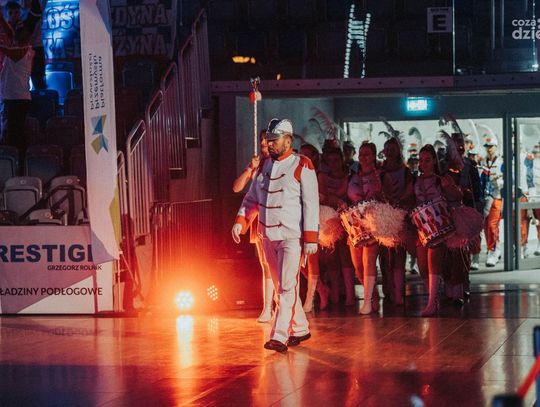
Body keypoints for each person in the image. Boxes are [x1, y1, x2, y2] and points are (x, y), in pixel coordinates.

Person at [232, 118, 319, 352]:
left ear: (288, 141)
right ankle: (300, 328)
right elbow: (251, 199)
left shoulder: (302, 165)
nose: (269, 144)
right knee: (282, 285)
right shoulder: (263, 167)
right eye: (268, 140)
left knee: (287, 286)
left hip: (292, 236)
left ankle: (279, 335)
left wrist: (311, 237)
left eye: (274, 140)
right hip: (266, 235)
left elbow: (311, 203)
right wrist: (240, 222)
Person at [414, 144, 462, 316]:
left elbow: (458, 196)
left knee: (433, 261)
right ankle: (434, 298)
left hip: (438, 227)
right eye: (421, 160)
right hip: (421, 228)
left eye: (427, 160)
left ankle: (432, 302)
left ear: (434, 160)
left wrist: (448, 187)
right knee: (422, 267)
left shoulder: (441, 179)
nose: (423, 163)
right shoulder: (415, 180)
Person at [232, 131, 274, 323]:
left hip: (281, 221)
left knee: (282, 267)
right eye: (261, 139)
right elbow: (238, 188)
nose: (263, 142)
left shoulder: (282, 163)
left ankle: (285, 307)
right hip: (260, 221)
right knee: (266, 264)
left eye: (267, 139)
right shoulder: (258, 165)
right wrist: (250, 168)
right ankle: (268, 307)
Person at [347, 142, 382, 314]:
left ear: (374, 156)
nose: (363, 157)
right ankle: (373, 294)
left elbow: (386, 196)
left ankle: (367, 302)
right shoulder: (352, 175)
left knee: (369, 261)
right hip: (355, 225)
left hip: (373, 223)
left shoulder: (379, 175)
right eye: (361, 154)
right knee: (358, 267)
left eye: (367, 154)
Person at [318, 146, 355, 306]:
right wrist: (333, 199)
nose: (334, 164)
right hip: (329, 220)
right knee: (331, 257)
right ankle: (334, 292)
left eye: (336, 160)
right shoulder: (323, 178)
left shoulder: (350, 177)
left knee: (346, 256)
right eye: (330, 161)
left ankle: (349, 294)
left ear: (342, 160)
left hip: (346, 219)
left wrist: (335, 199)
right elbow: (324, 197)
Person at [379, 137, 414, 305]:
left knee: (399, 254)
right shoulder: (379, 170)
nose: (390, 152)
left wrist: (398, 202)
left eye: (393, 149)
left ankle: (399, 291)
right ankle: (387, 289)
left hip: (400, 216)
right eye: (387, 149)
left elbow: (409, 191)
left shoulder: (406, 172)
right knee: (384, 255)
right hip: (383, 217)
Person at [298, 143, 330, 312]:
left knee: (311, 259)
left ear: (314, 157)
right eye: (300, 153)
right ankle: (321, 288)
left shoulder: (319, 175)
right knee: (298, 261)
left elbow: (324, 196)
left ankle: (310, 299)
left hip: (312, 218)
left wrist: (308, 196)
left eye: (306, 154)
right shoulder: (296, 171)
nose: (302, 157)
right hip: (298, 218)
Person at [0, 26, 34, 156]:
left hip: (16, 98)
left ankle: (17, 160)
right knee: (14, 132)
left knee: (15, 134)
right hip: (16, 97)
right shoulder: (21, 51)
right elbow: (9, 35)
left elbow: (7, 50)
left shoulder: (23, 51)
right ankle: (17, 159)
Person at [480, 135, 504, 267]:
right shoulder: (482, 161)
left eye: (491, 146)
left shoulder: (501, 161)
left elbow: (510, 178)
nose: (489, 149)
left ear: (496, 147)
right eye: (487, 147)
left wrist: (498, 182)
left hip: (497, 197)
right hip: (485, 198)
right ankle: (495, 247)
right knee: (485, 226)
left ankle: (493, 251)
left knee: (492, 225)